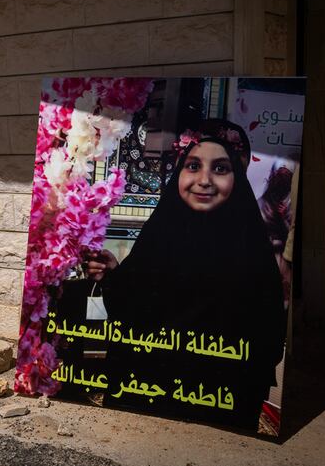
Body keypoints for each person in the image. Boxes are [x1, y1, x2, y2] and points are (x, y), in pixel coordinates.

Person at [86, 119, 285, 430]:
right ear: (179, 171)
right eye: (193, 166)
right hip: (145, 395)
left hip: (218, 404)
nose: (204, 180)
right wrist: (114, 276)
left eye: (220, 169)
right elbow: (135, 305)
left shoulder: (251, 248)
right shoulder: (160, 232)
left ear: (237, 176)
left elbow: (268, 336)